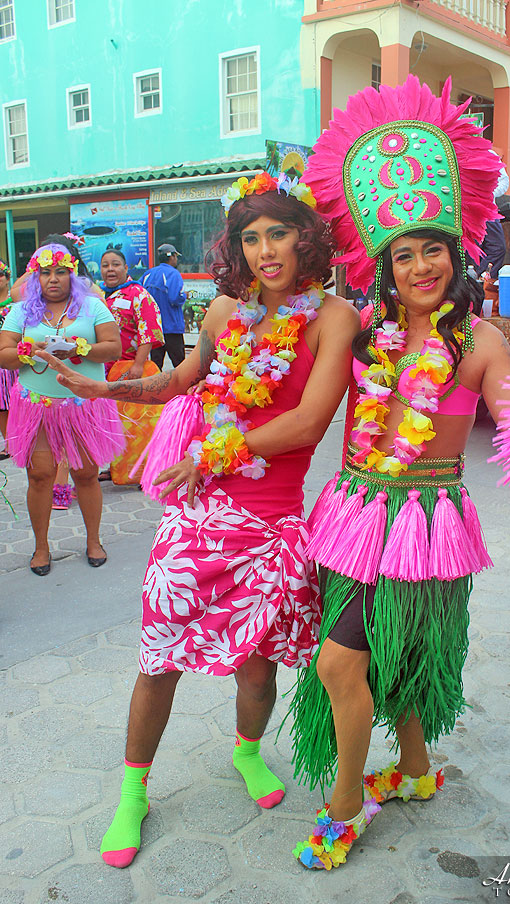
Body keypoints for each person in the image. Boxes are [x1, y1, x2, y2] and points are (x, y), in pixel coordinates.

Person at [35, 171, 359, 868]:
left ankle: (246, 753)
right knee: (160, 661)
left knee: (257, 665)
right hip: (198, 516)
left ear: (307, 240)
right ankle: (133, 793)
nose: (264, 250)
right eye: (249, 237)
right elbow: (179, 380)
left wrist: (218, 453)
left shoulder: (335, 319)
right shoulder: (221, 315)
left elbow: (308, 421)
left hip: (273, 526)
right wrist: (108, 385)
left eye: (277, 233)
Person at [288, 76, 510, 870]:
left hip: (426, 522)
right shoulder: (364, 331)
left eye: (434, 248)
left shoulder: (481, 342)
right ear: (384, 267)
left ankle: (347, 804)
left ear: (457, 254)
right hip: (354, 509)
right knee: (395, 651)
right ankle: (416, 772)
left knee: (342, 661)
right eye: (404, 253)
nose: (421, 265)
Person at [0, 243, 124, 575]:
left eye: (60, 272)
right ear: (35, 276)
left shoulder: (93, 307)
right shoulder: (21, 311)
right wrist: (30, 350)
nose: (52, 279)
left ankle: (93, 541)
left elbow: (114, 346)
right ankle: (41, 548)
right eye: (45, 272)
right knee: (39, 476)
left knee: (86, 473)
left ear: (72, 274)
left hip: (83, 407)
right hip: (36, 408)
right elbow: (3, 353)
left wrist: (79, 349)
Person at [99, 249, 164, 484]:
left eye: (115, 264)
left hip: (130, 368)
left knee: (136, 424)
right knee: (111, 423)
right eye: (105, 265)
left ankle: (141, 472)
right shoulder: (100, 296)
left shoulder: (138, 293)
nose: (110, 270)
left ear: (126, 269)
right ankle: (116, 468)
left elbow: (149, 329)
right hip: (104, 371)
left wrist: (138, 364)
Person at [141, 243, 187, 370]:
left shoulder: (148, 274)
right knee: (180, 365)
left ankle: (156, 389)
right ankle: (182, 389)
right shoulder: (173, 274)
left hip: (155, 329)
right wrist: (184, 296)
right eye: (176, 256)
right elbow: (175, 298)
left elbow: (139, 297)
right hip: (172, 328)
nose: (176, 259)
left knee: (155, 365)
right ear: (171, 257)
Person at [0, 258, 16, 460]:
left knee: (14, 404)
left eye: (0, 274)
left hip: (13, 362)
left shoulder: (15, 304)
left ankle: (20, 440)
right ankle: (9, 443)